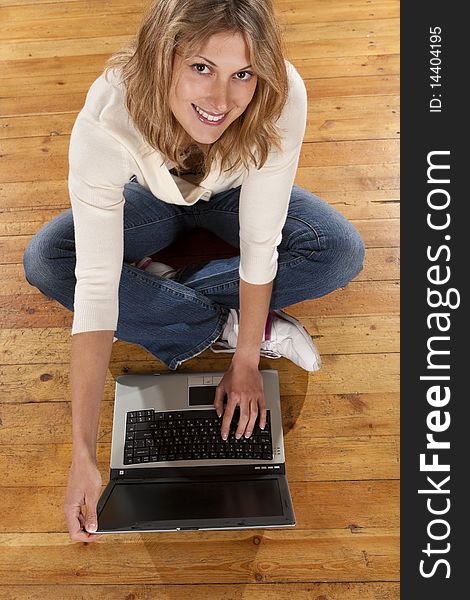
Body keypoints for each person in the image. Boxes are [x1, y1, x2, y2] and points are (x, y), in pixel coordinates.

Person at [22, 0, 365, 543]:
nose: (220, 100)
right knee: (48, 260)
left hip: (234, 197)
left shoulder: (280, 97)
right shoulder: (108, 113)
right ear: (165, 58)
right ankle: (224, 322)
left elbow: (260, 243)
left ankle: (167, 291)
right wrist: (82, 455)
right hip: (152, 204)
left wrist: (247, 361)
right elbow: (92, 290)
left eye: (242, 74)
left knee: (338, 251)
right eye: (201, 67)